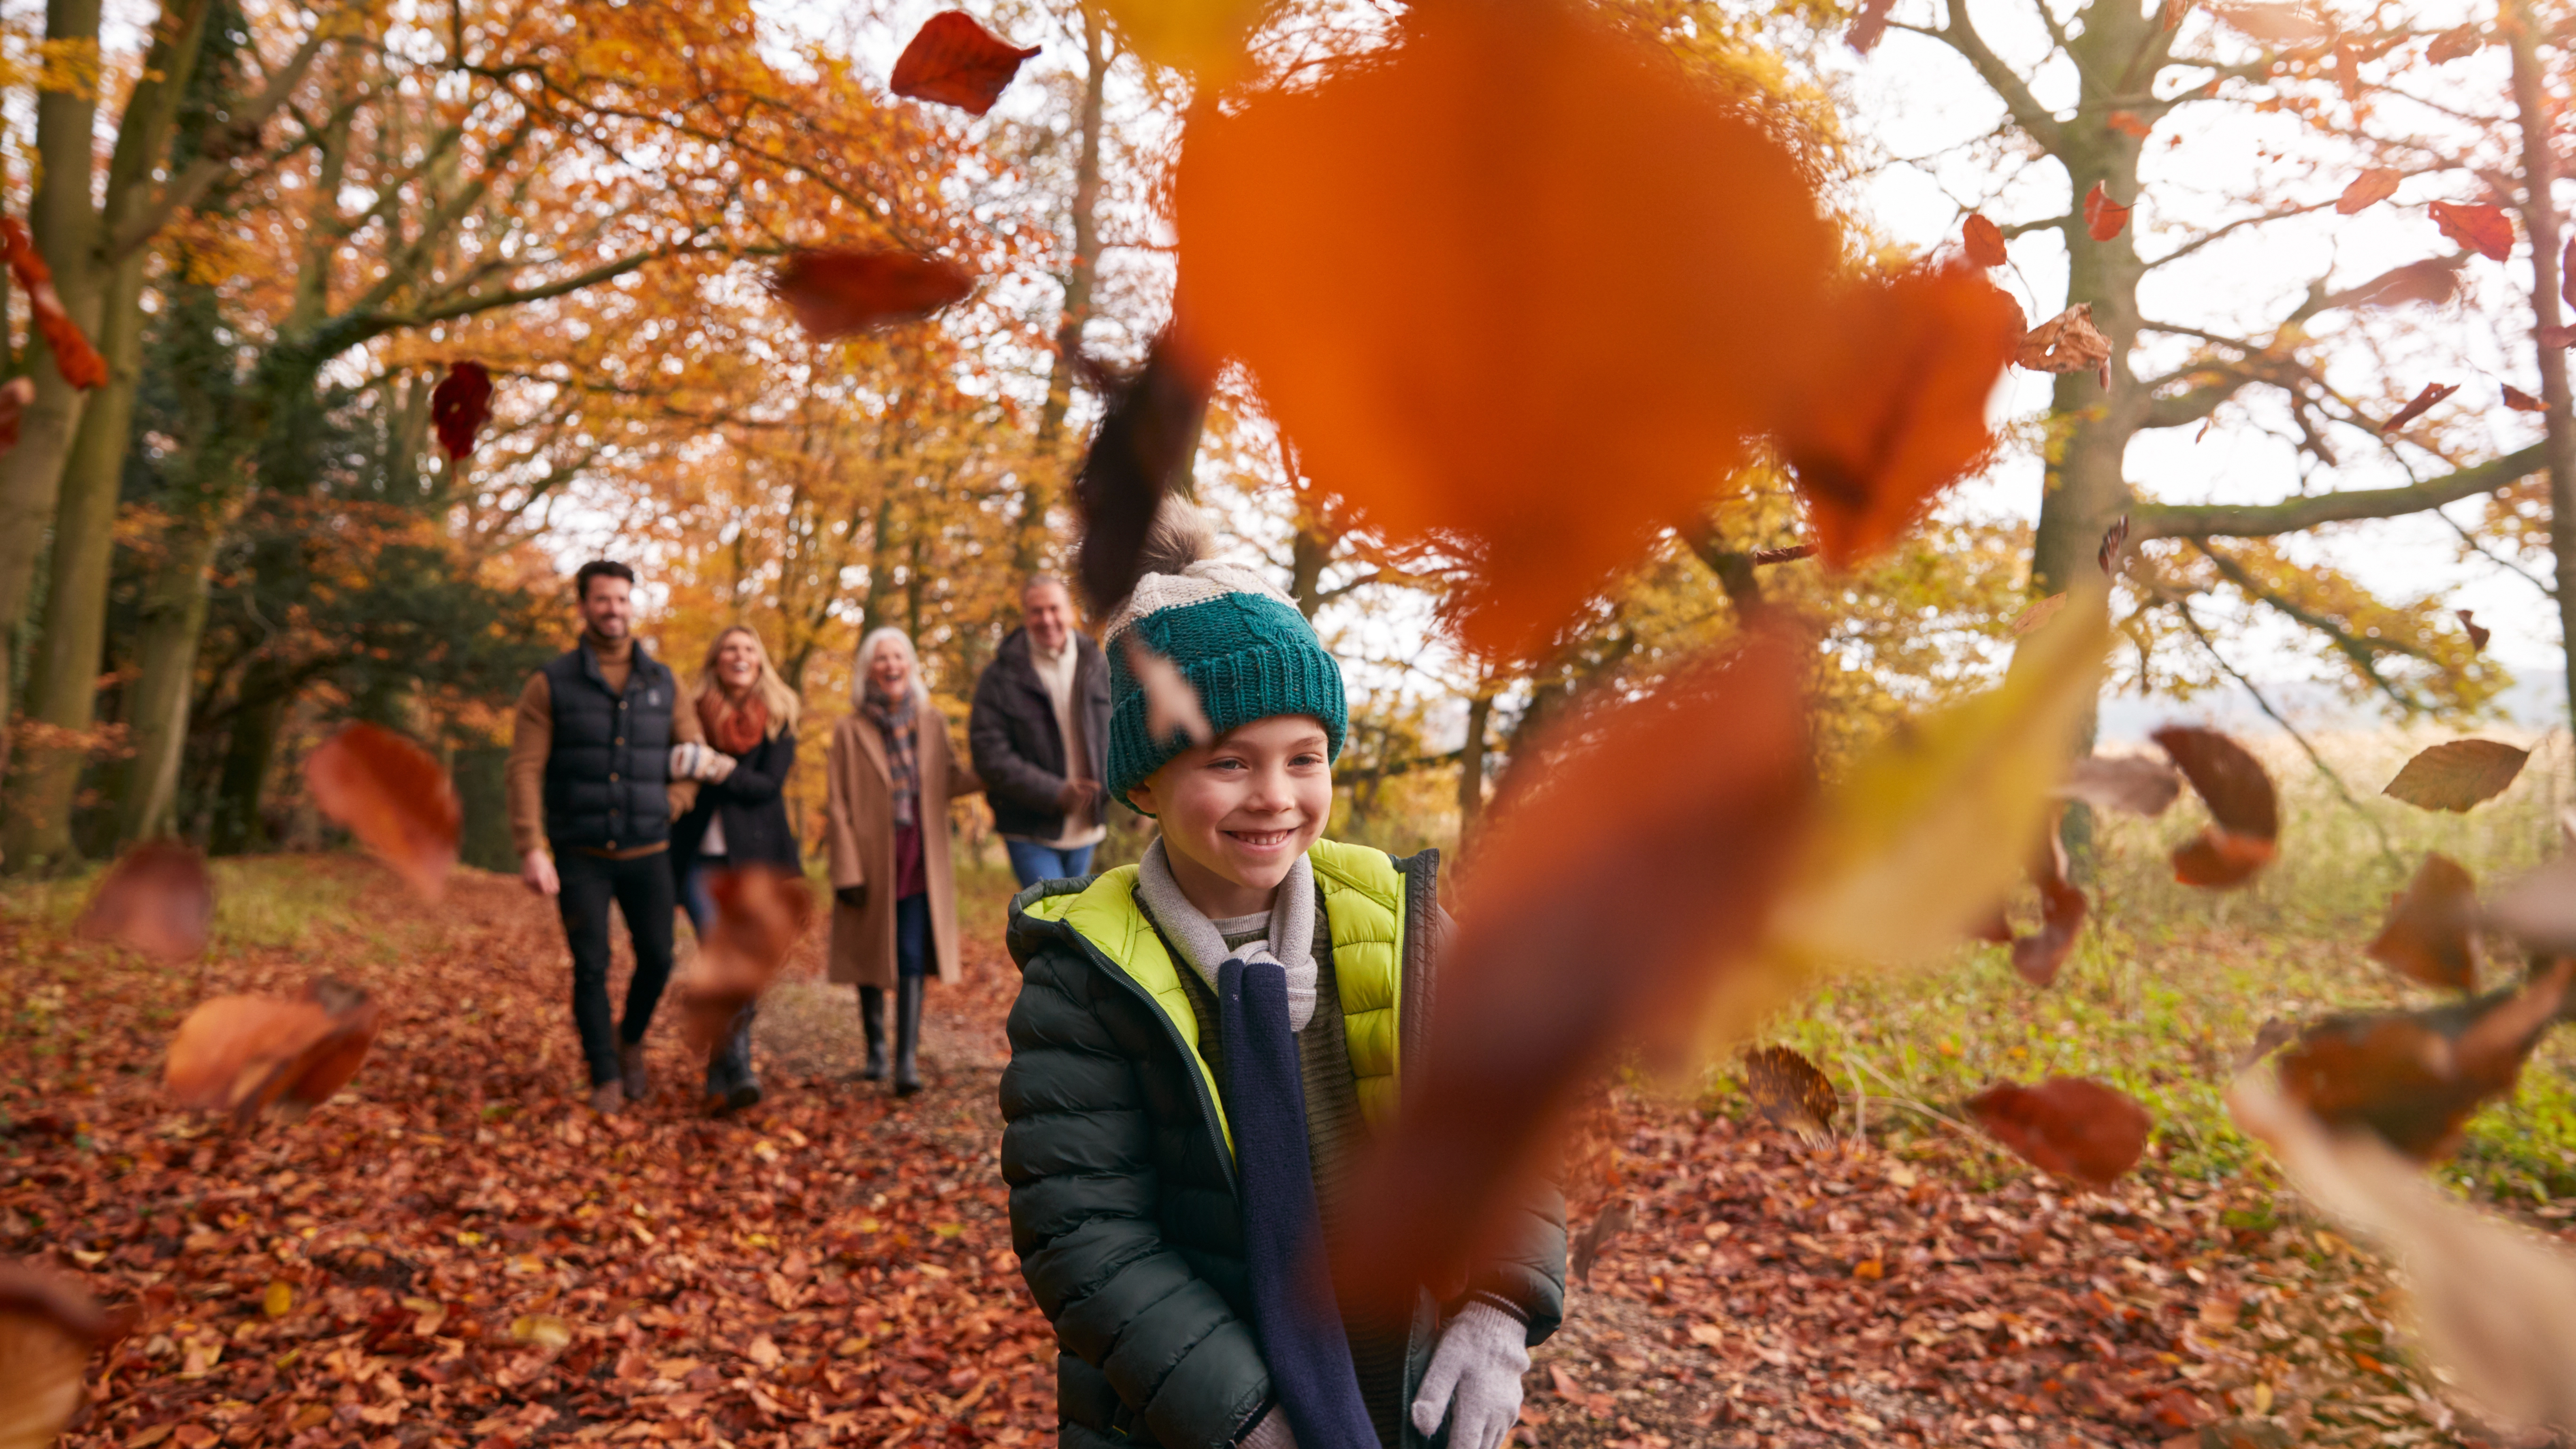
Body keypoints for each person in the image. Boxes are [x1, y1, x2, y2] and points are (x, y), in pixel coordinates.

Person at [997, 511, 1566, 1449]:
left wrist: (1501, 1309)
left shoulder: (1396, 922)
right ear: (1144, 784)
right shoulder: (1086, 974)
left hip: (1398, 1388)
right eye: (1229, 762)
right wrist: (1246, 1419)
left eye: (1305, 759)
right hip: (1185, 1416)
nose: (1276, 795)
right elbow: (1089, 1238)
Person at [507, 560, 720, 1115]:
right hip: (581, 854)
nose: (614, 610)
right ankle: (604, 1070)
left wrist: (670, 804)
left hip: (650, 852)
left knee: (657, 959)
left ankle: (630, 1039)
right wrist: (533, 846)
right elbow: (525, 768)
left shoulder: (663, 682)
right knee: (592, 965)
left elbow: (693, 759)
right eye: (603, 600)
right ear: (582, 607)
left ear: (633, 605)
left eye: (622, 600)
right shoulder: (549, 683)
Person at [825, 627, 982, 1095]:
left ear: (910, 666)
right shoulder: (849, 729)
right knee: (872, 949)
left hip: (920, 855)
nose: (891, 666)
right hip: (871, 856)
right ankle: (875, 1047)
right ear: (869, 670)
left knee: (912, 951)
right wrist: (847, 868)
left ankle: (905, 1061)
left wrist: (999, 768)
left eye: (899, 657)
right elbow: (836, 803)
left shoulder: (932, 721)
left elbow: (952, 779)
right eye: (881, 659)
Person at [670, 624, 804, 1117]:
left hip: (757, 861)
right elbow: (678, 768)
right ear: (716, 659)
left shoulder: (780, 716)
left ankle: (718, 1074)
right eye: (729, 648)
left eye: (749, 648)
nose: (739, 655)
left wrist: (716, 767)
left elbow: (766, 787)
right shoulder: (690, 712)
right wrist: (692, 763)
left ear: (760, 659)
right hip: (698, 860)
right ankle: (741, 1069)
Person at [968, 573, 1111, 888]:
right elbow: (989, 753)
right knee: (1050, 921)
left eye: (1054, 608)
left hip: (1088, 825)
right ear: (1025, 616)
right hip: (1026, 825)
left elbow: (1120, 734)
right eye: (1036, 611)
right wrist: (1056, 793)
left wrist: (1110, 788)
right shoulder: (1000, 675)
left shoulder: (1099, 664)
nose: (1047, 619)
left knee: (1076, 923)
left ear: (1070, 612)